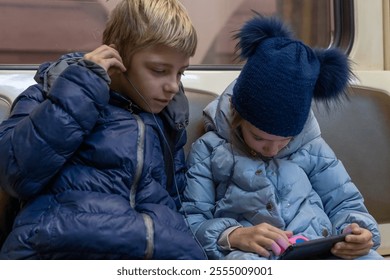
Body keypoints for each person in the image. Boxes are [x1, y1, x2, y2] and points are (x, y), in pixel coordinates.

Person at [0, 0, 206, 260]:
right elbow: (15, 173)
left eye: (180, 74)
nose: (173, 86)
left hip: (156, 251)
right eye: (159, 70)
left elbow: (176, 203)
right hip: (62, 245)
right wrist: (82, 88)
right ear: (117, 56)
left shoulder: (167, 120)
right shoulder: (53, 91)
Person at [181, 14, 383, 260]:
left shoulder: (312, 147)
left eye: (285, 140)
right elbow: (192, 221)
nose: (273, 150)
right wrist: (232, 236)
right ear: (238, 115)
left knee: (370, 261)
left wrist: (357, 232)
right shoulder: (209, 151)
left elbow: (344, 203)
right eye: (259, 138)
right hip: (251, 253)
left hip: (317, 247)